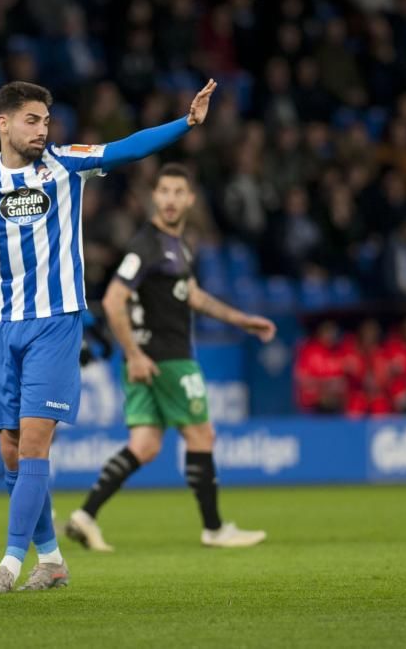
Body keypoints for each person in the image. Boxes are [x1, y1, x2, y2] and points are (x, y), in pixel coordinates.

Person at [0, 79, 218, 593]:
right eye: (32, 120)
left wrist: (186, 122)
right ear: (4, 123)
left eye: (46, 121)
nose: (42, 130)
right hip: (1, 327)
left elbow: (127, 148)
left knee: (34, 444)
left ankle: (10, 565)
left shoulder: (65, 163)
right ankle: (54, 561)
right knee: (12, 452)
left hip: (57, 323)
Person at [64, 163, 276, 551]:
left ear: (191, 199)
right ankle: (214, 528)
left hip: (149, 360)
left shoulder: (180, 245)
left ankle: (85, 515)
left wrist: (242, 320)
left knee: (144, 444)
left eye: (179, 192)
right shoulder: (148, 244)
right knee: (202, 434)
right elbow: (113, 300)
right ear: (154, 197)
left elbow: (193, 296)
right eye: (164, 191)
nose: (171, 199)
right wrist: (135, 354)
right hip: (167, 358)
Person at [0, 309, 112, 536]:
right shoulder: (59, 288)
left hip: (12, 337)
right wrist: (97, 337)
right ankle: (40, 524)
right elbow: (72, 301)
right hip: (40, 344)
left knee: (24, 440)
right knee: (34, 441)